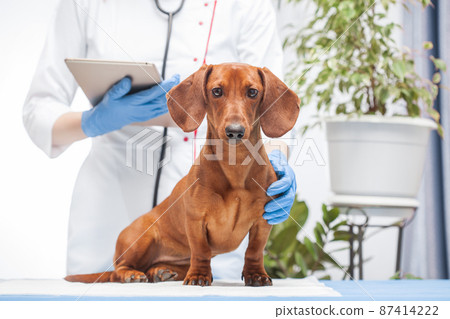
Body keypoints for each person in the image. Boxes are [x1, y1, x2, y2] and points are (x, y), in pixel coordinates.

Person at [23, 0, 296, 280]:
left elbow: (272, 104)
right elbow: (38, 109)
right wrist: (92, 121)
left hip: (220, 224)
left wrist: (273, 167)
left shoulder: (248, 6)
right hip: (109, 199)